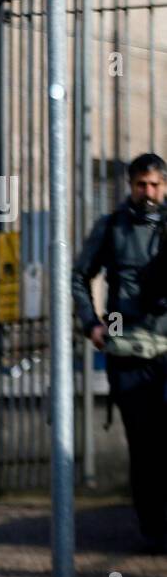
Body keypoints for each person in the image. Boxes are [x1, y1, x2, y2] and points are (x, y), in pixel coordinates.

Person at [73, 152, 167, 554]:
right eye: (141, 185)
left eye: (155, 185)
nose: (148, 192)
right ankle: (153, 529)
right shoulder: (111, 227)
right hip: (127, 351)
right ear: (130, 186)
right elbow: (79, 275)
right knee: (144, 445)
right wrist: (92, 324)